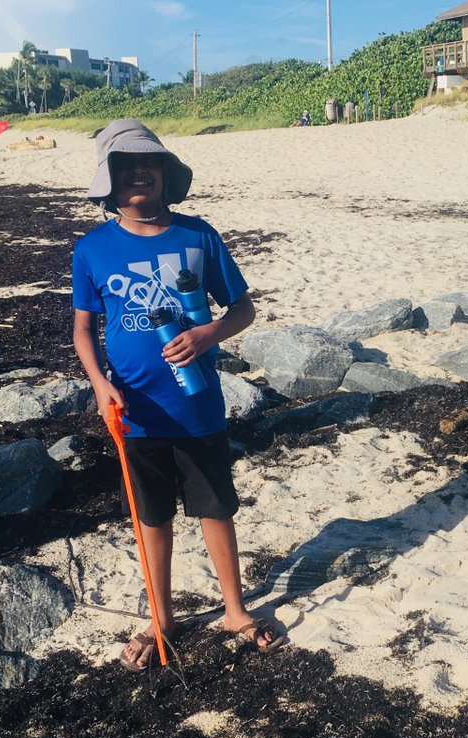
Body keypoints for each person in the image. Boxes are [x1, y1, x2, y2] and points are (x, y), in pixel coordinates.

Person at [72, 119, 284, 671]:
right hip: (135, 412)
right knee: (152, 516)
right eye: (122, 167)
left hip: (198, 406)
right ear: (107, 183)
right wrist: (100, 385)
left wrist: (208, 332)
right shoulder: (93, 249)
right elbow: (83, 330)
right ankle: (160, 618)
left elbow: (242, 308)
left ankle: (235, 609)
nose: (137, 173)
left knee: (215, 505)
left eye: (149, 163)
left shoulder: (198, 236)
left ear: (167, 174)